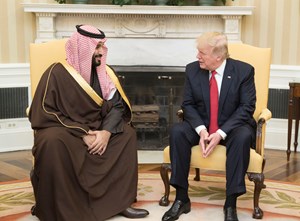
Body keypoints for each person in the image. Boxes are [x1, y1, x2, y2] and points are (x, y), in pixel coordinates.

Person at [28, 24, 149, 221]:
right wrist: (83, 133)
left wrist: (106, 133)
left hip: (98, 130)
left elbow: (118, 106)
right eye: (97, 47)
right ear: (82, 47)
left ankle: (119, 202)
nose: (102, 51)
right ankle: (57, 206)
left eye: (102, 46)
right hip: (66, 131)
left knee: (127, 135)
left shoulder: (105, 73)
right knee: (51, 141)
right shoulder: (56, 73)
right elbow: (44, 110)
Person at [161, 32, 256, 221]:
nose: (197, 56)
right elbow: (187, 104)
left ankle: (230, 204)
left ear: (218, 56)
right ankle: (181, 199)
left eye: (202, 53)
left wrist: (220, 133)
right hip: (202, 124)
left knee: (243, 136)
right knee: (178, 131)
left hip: (232, 127)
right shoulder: (193, 70)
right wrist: (202, 130)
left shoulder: (244, 71)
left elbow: (247, 108)